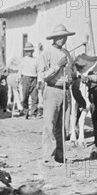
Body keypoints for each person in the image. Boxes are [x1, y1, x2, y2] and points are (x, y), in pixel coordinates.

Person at [39, 24, 75, 163]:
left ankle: (60, 155)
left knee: (64, 125)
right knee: (50, 124)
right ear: (54, 38)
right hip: (52, 90)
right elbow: (43, 75)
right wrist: (58, 66)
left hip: (66, 91)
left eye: (64, 37)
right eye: (59, 37)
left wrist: (75, 77)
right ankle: (48, 157)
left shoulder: (67, 53)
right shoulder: (46, 53)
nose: (62, 39)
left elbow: (70, 73)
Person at [19, 42, 40, 119]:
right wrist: (18, 78)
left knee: (34, 96)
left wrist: (38, 80)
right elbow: (20, 70)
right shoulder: (23, 60)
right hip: (25, 78)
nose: (29, 52)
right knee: (25, 96)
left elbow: (38, 70)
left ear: (33, 51)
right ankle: (25, 111)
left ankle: (34, 113)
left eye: (30, 51)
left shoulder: (36, 60)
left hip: (34, 78)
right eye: (27, 51)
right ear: (25, 52)